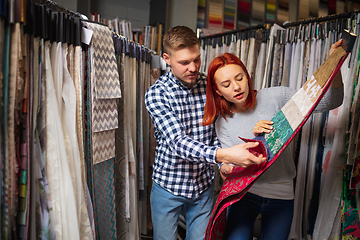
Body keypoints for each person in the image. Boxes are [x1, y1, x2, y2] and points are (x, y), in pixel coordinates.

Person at [202, 40, 344, 240]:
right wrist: (225, 167)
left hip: (282, 195)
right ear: (218, 91)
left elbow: (331, 101)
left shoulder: (278, 96)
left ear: (247, 75)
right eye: (226, 84)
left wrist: (334, 64)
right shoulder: (223, 122)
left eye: (239, 78)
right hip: (245, 196)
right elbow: (230, 166)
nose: (236, 87)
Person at [144, 25, 266, 240]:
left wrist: (223, 164)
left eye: (196, 59)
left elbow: (219, 129)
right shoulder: (156, 95)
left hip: (203, 186)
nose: (193, 67)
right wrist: (225, 155)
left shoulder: (210, 86)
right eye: (184, 62)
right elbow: (178, 143)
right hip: (168, 185)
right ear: (167, 58)